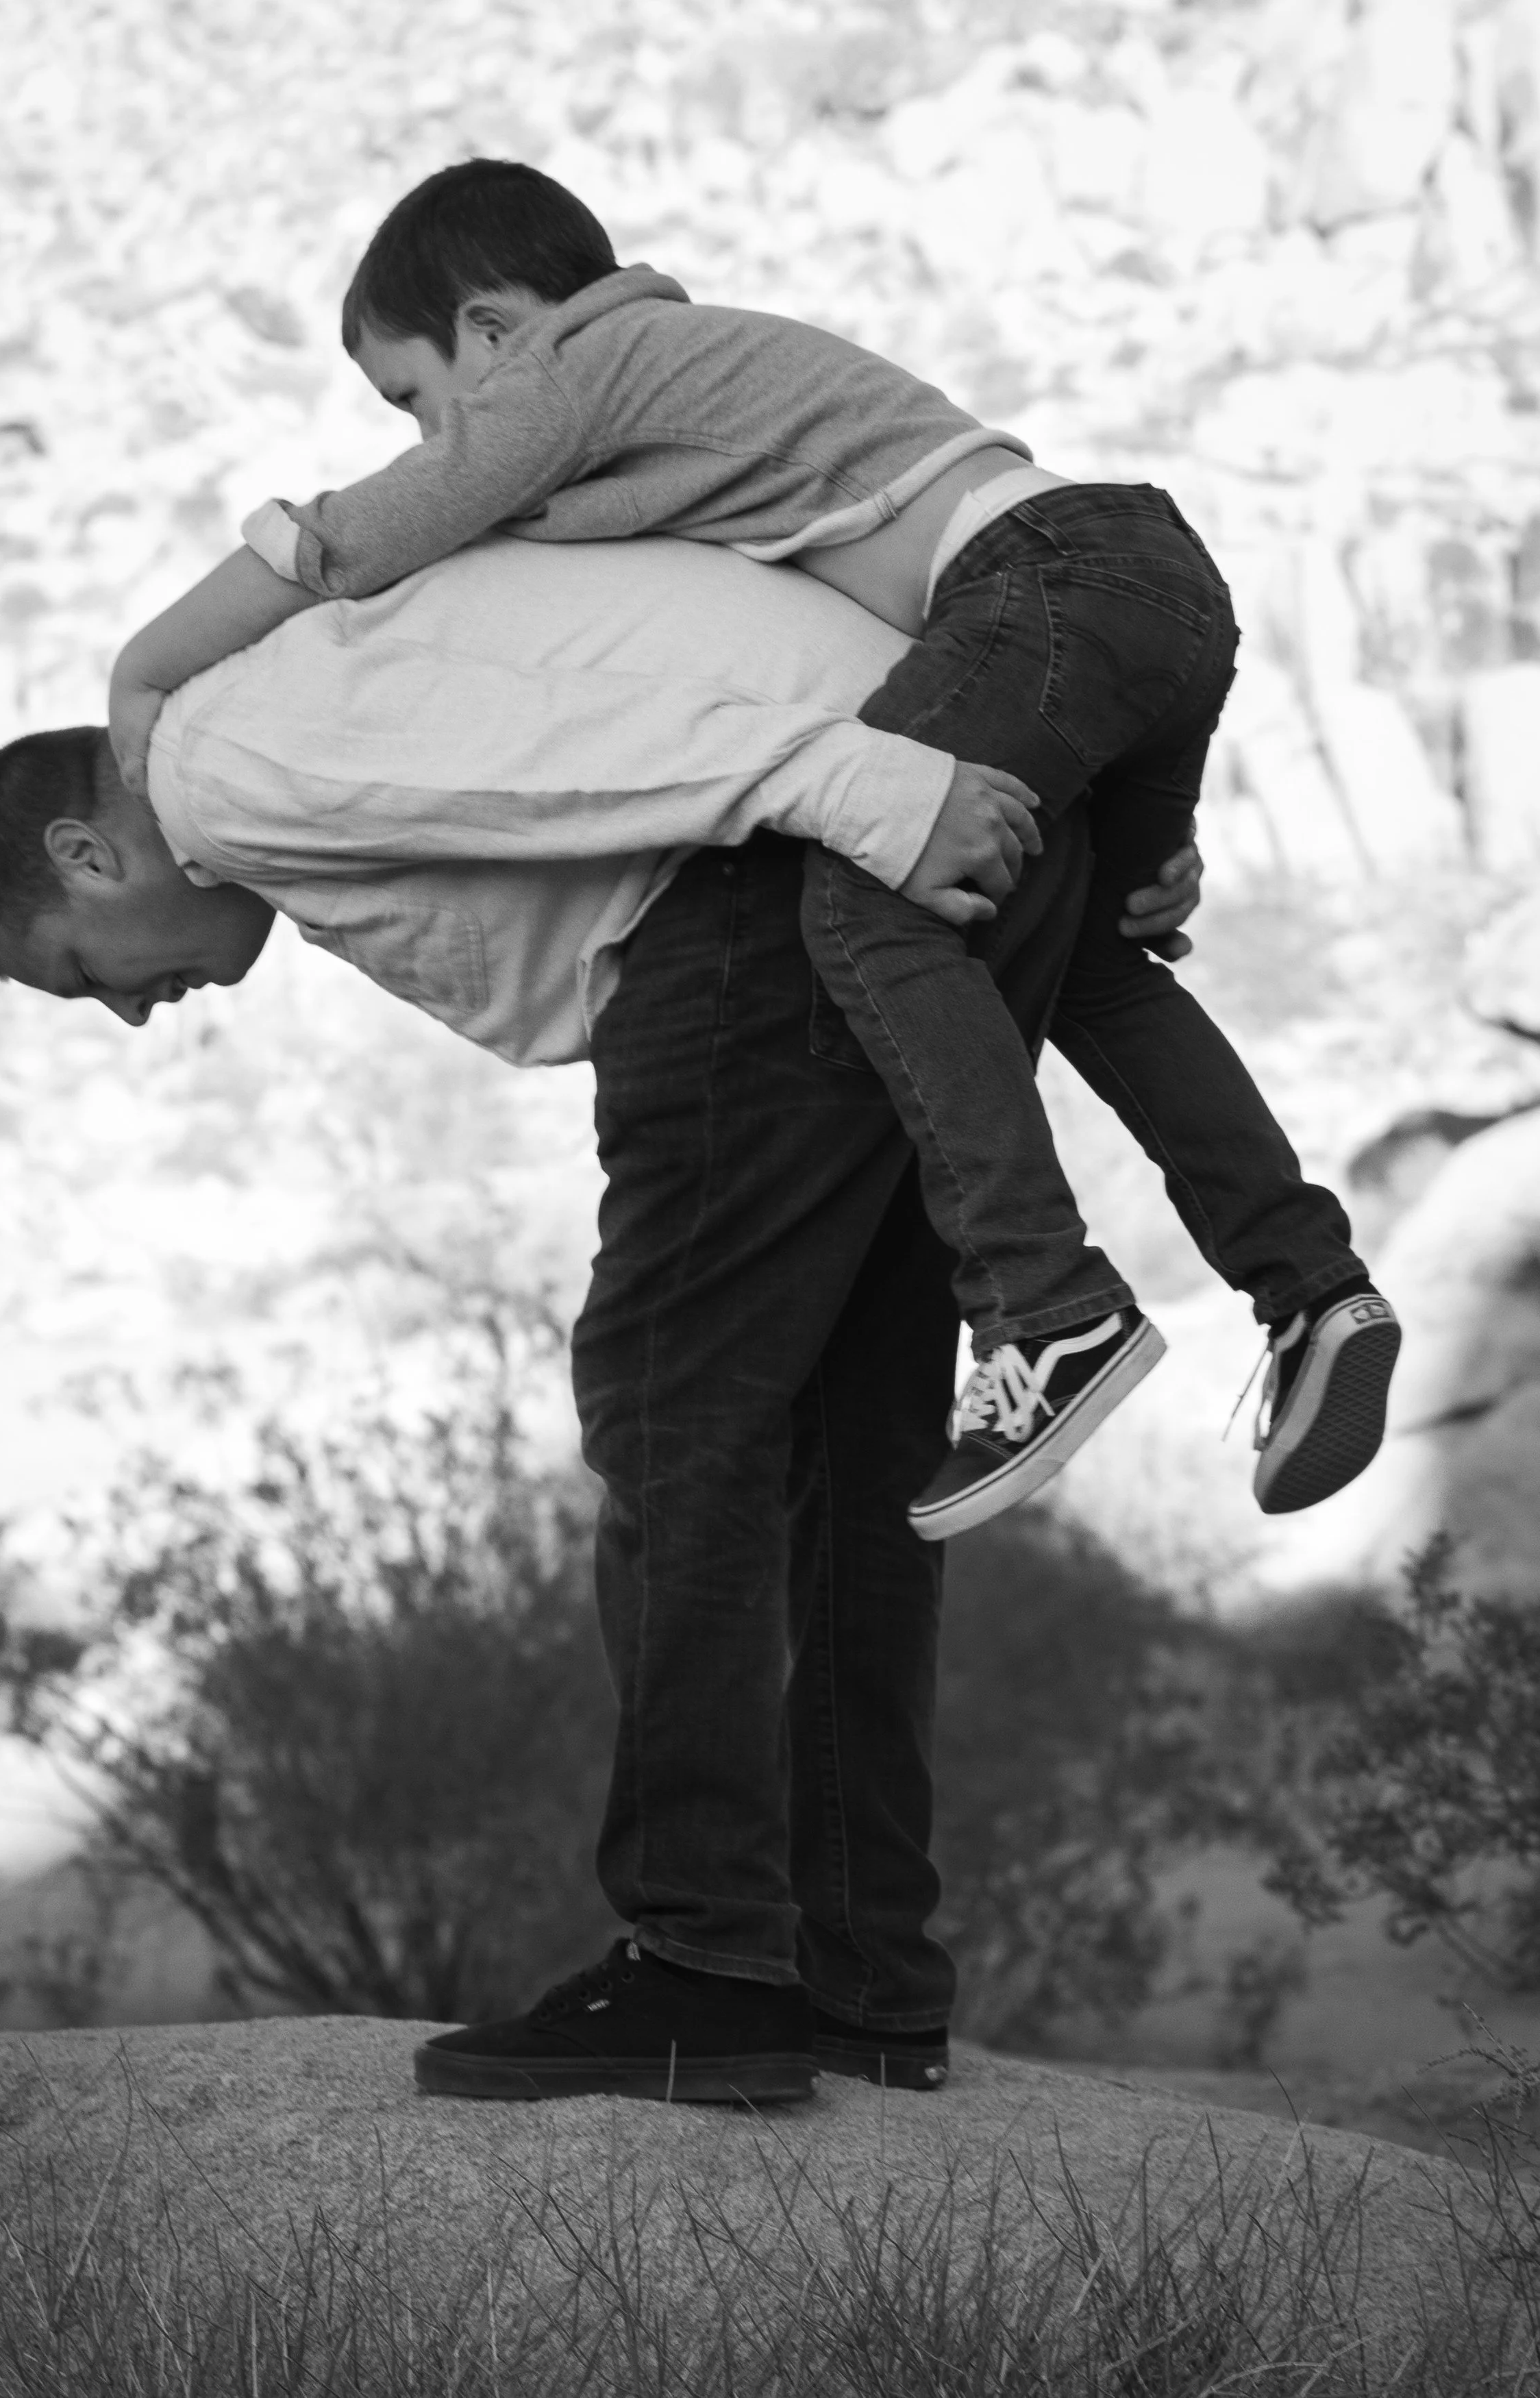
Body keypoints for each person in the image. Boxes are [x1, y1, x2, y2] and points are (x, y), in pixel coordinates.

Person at [0, 532, 1202, 2101]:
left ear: (84, 854)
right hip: (873, 906)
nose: (134, 1013)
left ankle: (703, 1963)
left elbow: (562, 757)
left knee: (671, 1411)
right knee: (852, 1450)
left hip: (748, 926)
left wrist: (869, 793)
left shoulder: (213, 762)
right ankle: (869, 1981)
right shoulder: (286, 709)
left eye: (87, 981)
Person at [105, 159, 1399, 1532]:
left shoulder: (583, 364)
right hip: (1143, 582)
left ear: (492, 331)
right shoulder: (670, 394)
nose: (427, 436)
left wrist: (147, 671)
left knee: (865, 897)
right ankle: (1311, 1290)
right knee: (1105, 960)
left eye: (412, 398)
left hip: (1042, 577)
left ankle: (1045, 1309)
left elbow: (361, 536)